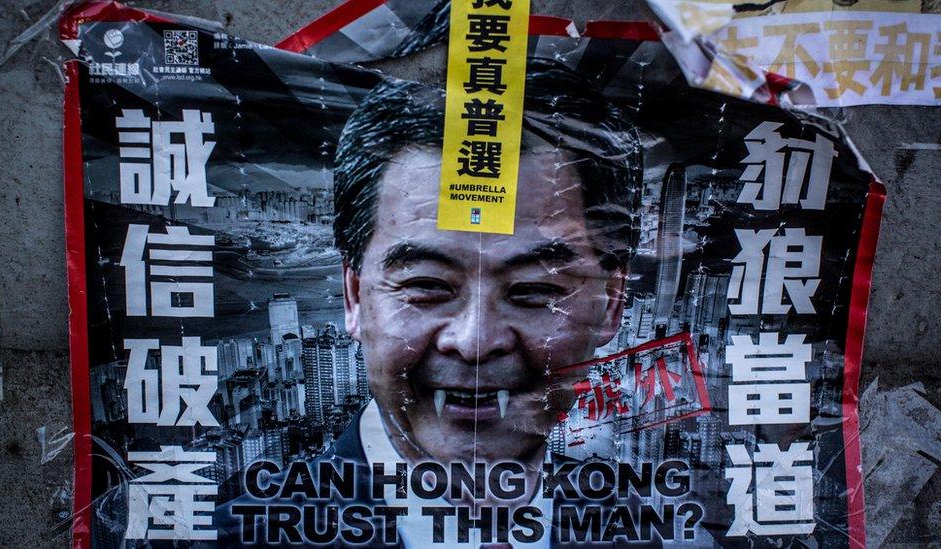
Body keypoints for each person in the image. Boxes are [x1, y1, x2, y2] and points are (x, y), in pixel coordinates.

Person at [218, 59, 651, 548]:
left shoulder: (627, 525)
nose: (475, 341)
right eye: (425, 286)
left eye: (537, 289)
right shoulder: (238, 539)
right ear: (355, 296)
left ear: (612, 302)